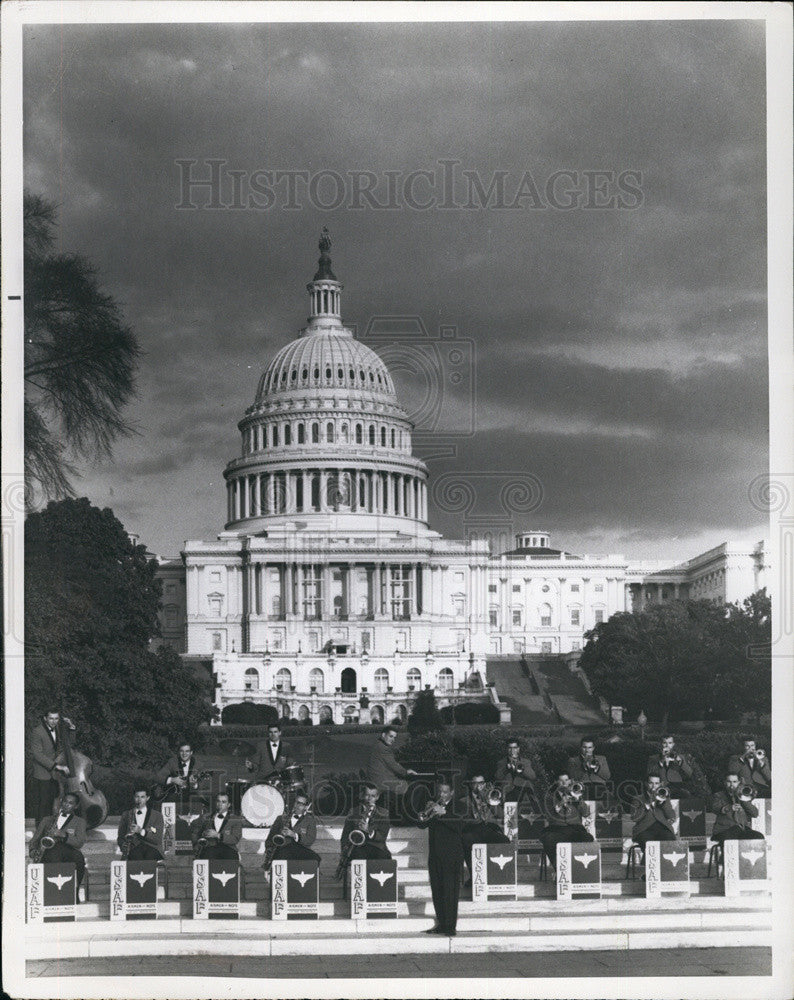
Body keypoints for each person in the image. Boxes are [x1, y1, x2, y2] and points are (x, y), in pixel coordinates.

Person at [418, 780, 465, 937]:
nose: (442, 795)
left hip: (452, 855)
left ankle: (450, 927)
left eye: (445, 792)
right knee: (437, 890)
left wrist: (443, 813)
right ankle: (441, 924)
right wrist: (425, 813)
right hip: (435, 855)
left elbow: (460, 826)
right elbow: (422, 825)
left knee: (450, 891)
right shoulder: (433, 805)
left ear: (452, 793)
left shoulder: (459, 806)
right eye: (440, 792)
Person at [29, 792, 87, 891]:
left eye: (70, 803)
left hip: (69, 851)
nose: (66, 804)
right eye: (65, 801)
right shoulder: (47, 820)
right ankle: (53, 893)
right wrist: (33, 851)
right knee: (53, 856)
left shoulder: (80, 822)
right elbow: (36, 838)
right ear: (61, 802)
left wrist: (65, 835)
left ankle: (74, 893)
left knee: (79, 859)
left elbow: (79, 843)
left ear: (76, 806)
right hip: (49, 851)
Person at [459, 775, 510, 884]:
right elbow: (464, 821)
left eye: (481, 783)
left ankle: (498, 875)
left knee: (504, 841)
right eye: (476, 783)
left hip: (490, 829)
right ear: (471, 785)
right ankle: (474, 876)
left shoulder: (492, 797)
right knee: (466, 840)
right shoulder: (464, 800)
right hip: (473, 830)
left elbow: (501, 816)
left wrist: (489, 802)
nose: (479, 786)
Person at [539, 773, 594, 870]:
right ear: (556, 783)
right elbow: (549, 816)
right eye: (561, 780)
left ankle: (579, 868)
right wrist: (562, 801)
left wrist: (579, 800)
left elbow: (586, 813)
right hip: (557, 829)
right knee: (548, 839)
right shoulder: (550, 797)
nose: (564, 783)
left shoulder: (576, 794)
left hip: (575, 829)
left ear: (570, 781)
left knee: (587, 837)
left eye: (566, 780)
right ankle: (559, 869)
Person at [29, 709, 72, 824]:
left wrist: (71, 727)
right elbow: (37, 755)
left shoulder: (57, 729)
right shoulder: (37, 731)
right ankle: (40, 833)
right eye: (51, 718)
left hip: (55, 775)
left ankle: (49, 831)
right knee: (43, 805)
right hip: (43, 773)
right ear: (45, 718)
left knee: (52, 804)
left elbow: (69, 744)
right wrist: (56, 766)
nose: (54, 721)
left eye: (56, 718)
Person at [365, 727, 418, 818]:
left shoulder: (377, 745)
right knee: (413, 787)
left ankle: (403, 814)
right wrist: (406, 772)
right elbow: (393, 766)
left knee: (409, 786)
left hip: (376, 780)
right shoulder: (383, 748)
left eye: (394, 737)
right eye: (391, 736)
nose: (393, 740)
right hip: (382, 782)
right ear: (383, 735)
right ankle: (409, 816)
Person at [339, 783, 392, 870]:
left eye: (373, 796)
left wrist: (368, 830)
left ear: (377, 797)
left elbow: (382, 836)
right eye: (367, 795)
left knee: (382, 856)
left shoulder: (383, 813)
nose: (370, 799)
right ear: (362, 795)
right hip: (358, 847)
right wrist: (344, 849)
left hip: (376, 846)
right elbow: (345, 834)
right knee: (358, 856)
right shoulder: (353, 811)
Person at [264, 791, 320, 870]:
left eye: (301, 804)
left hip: (301, 850)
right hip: (282, 849)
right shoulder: (281, 818)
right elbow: (270, 838)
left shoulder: (310, 820)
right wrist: (269, 850)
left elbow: (310, 840)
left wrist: (294, 835)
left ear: (306, 807)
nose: (297, 806)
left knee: (316, 858)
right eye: (296, 802)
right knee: (282, 857)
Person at [710, 773, 765, 843]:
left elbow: (755, 814)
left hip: (741, 830)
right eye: (729, 782)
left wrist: (743, 799)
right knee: (735, 830)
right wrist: (729, 808)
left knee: (758, 837)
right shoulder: (718, 795)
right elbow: (715, 808)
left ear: (739, 783)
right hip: (724, 830)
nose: (731, 785)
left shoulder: (744, 796)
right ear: (725, 783)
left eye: (734, 782)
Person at [155, 742, 208, 810]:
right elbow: (158, 776)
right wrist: (172, 780)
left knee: (200, 804)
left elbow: (205, 784)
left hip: (192, 795)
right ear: (178, 752)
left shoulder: (199, 765)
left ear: (191, 752)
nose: (184, 754)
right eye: (181, 751)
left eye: (187, 751)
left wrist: (195, 784)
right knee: (166, 805)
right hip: (174, 794)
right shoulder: (172, 762)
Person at [116, 788, 165, 861]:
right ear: (133, 797)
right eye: (137, 797)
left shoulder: (157, 815)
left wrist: (141, 831)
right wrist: (124, 846)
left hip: (153, 847)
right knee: (135, 855)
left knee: (149, 856)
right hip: (133, 847)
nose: (139, 800)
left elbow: (157, 837)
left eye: (142, 797)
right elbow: (120, 836)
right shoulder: (126, 815)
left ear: (147, 798)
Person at [191, 793, 242, 861]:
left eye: (223, 802)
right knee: (206, 858)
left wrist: (218, 835)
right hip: (209, 848)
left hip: (228, 849)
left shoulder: (235, 819)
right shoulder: (206, 817)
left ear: (228, 805)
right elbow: (195, 832)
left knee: (231, 859)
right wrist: (196, 844)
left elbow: (235, 839)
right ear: (215, 803)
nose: (220, 804)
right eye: (218, 801)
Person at [630, 776, 677, 848]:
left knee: (669, 841)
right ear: (646, 784)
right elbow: (634, 818)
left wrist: (663, 804)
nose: (654, 786)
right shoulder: (638, 798)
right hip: (644, 830)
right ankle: (646, 859)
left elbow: (671, 816)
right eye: (651, 783)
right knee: (649, 848)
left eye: (656, 783)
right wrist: (647, 805)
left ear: (660, 784)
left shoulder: (664, 798)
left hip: (662, 829)